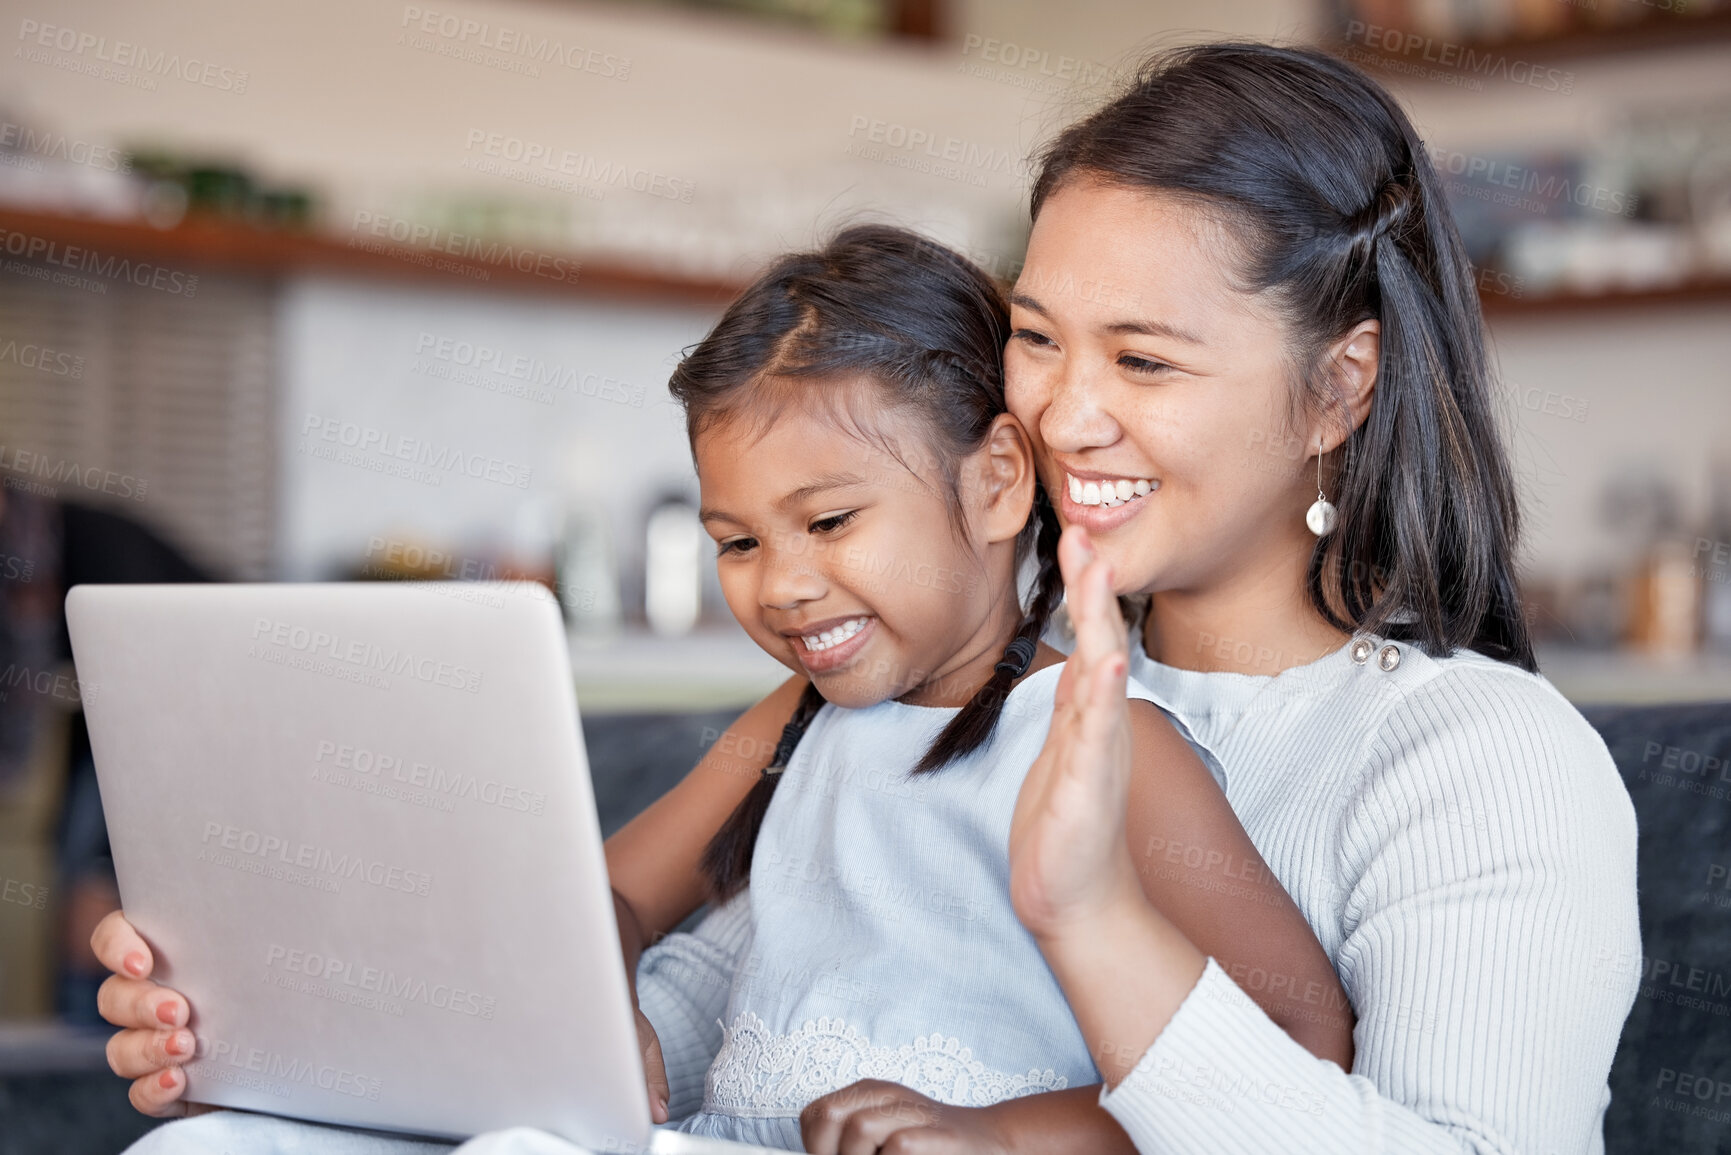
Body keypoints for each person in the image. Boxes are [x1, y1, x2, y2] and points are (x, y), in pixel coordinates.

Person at [92, 225, 1350, 1154]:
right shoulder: (796, 725)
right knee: (202, 1145)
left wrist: (1006, 1136)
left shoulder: (1099, 737)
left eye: (831, 520)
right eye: (739, 542)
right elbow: (600, 904)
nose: (785, 586)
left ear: (997, 483)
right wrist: (599, 1012)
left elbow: (1297, 1045)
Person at [986, 42, 1641, 1155]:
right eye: (1038, 338)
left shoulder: (1482, 760)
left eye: (1143, 362)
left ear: (1338, 388)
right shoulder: (995, 691)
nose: (1063, 416)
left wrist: (1097, 923)